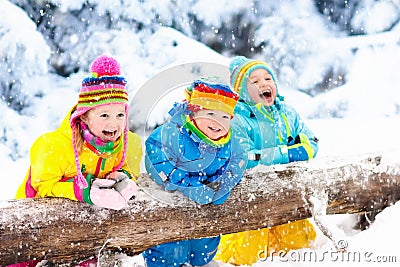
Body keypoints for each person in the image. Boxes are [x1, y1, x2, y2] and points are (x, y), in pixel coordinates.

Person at [13, 55, 142, 266]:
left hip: (83, 230)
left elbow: (129, 170)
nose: (115, 123)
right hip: (33, 225)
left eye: (120, 115)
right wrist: (85, 191)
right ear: (83, 117)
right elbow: (42, 186)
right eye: (104, 116)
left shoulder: (130, 145)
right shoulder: (54, 146)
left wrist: (124, 180)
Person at [214, 56, 319, 266]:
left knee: (298, 250)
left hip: (286, 193)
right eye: (254, 81)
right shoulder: (237, 119)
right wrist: (286, 153)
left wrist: (301, 150)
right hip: (250, 197)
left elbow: (311, 143)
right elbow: (245, 157)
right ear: (242, 91)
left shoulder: (287, 113)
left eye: (268, 78)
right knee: (246, 255)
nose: (264, 83)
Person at [142, 78, 246, 267]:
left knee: (203, 248)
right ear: (194, 113)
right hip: (171, 203)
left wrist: (221, 187)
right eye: (211, 113)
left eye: (224, 117)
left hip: (207, 209)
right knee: (170, 248)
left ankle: (201, 262)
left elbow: (238, 163)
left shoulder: (230, 143)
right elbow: (154, 156)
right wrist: (187, 185)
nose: (218, 122)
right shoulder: (173, 133)